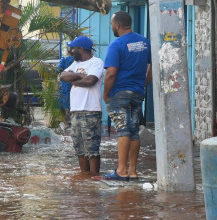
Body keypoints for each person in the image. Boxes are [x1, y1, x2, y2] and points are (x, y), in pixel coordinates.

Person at [101, 11, 151, 181]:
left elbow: (111, 74)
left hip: (120, 93)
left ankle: (121, 170)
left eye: (111, 24)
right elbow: (152, 66)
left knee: (123, 130)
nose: (112, 27)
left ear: (117, 25)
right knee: (134, 131)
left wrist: (106, 94)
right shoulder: (144, 42)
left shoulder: (117, 45)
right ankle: (133, 171)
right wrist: (143, 83)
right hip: (137, 93)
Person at [59, 36, 104, 175]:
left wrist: (74, 80)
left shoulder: (96, 62)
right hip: (75, 112)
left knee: (92, 149)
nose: (70, 51)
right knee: (79, 149)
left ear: (81, 49)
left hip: (90, 111)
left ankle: (94, 177)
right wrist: (80, 75)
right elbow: (63, 76)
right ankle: (85, 178)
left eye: (72, 48)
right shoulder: (75, 64)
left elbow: (90, 80)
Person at [56, 54, 75, 123]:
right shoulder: (77, 60)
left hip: (65, 84)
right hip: (74, 84)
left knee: (63, 103)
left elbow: (57, 71)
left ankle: (65, 122)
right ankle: (72, 120)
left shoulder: (64, 59)